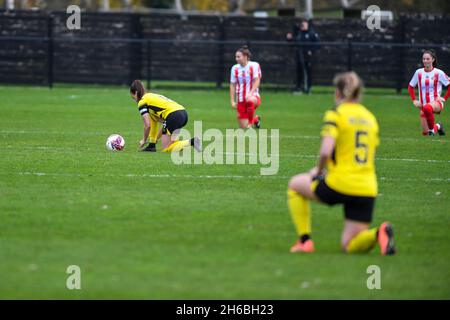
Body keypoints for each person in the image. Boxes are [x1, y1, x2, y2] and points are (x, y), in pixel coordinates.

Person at [287, 72, 396, 255]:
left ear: (338, 93)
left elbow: (325, 151)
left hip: (340, 183)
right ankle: (379, 233)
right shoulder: (370, 118)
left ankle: (304, 241)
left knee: (295, 185)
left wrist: (318, 171)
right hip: (367, 188)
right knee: (349, 245)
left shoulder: (336, 114)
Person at [129, 80, 201, 152]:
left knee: (166, 148)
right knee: (173, 144)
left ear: (135, 93)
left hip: (174, 115)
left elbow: (148, 125)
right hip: (182, 113)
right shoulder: (151, 97)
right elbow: (155, 123)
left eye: (133, 98)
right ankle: (151, 146)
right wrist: (153, 142)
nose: (134, 100)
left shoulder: (142, 102)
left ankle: (192, 141)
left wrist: (144, 140)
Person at [408, 49, 449, 136]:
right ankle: (438, 127)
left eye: (427, 59)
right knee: (425, 133)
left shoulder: (439, 73)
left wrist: (444, 98)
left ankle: (432, 131)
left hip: (436, 103)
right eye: (424, 59)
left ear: (433, 59)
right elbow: (410, 87)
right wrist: (414, 100)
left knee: (427, 108)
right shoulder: (418, 72)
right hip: (423, 105)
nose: (425, 61)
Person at [230, 45, 262, 129]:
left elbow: (257, 80)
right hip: (240, 100)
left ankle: (250, 123)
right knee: (243, 127)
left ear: (245, 56)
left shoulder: (254, 65)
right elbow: (232, 85)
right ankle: (256, 119)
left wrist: (250, 93)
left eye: (238, 57)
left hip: (253, 97)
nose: (236, 59)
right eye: (235, 57)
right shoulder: (234, 68)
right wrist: (232, 101)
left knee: (250, 101)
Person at [286, 19, 320, 94]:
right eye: (302, 24)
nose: (303, 26)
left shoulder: (312, 34)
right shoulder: (299, 34)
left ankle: (308, 88)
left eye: (304, 24)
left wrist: (311, 51)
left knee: (308, 72)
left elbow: (317, 44)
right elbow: (293, 42)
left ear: (307, 25)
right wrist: (289, 39)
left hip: (308, 57)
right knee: (299, 72)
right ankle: (299, 88)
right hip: (299, 56)